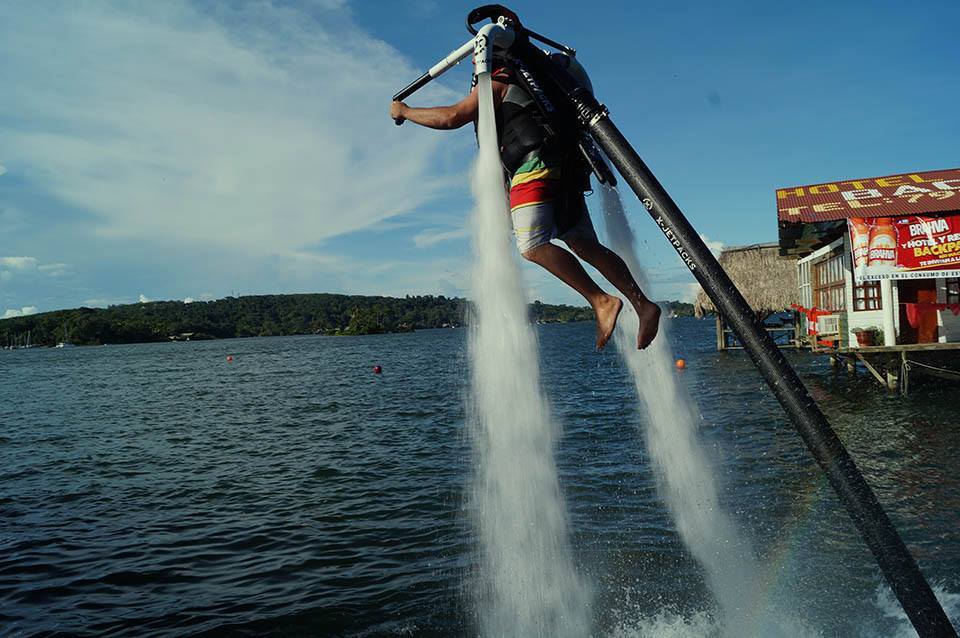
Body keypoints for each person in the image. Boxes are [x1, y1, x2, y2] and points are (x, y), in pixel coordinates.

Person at [390, 54, 660, 350]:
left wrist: (406, 111)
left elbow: (452, 117)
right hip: (565, 168)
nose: (472, 66)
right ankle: (643, 304)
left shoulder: (499, 81)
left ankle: (601, 301)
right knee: (583, 243)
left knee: (532, 246)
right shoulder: (537, 84)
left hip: (533, 165)